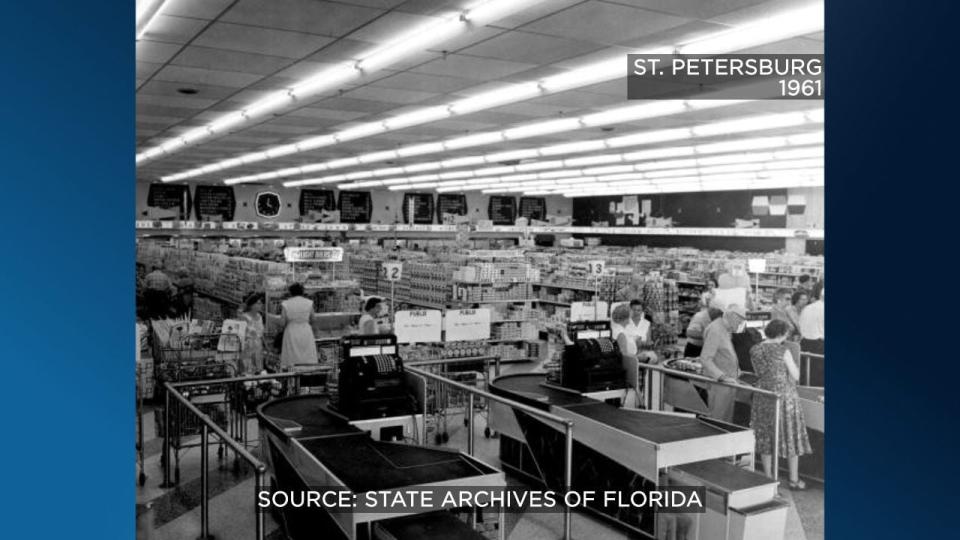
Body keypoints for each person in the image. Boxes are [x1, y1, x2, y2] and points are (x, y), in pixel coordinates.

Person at [749, 319, 813, 490]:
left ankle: (768, 478)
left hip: (763, 394)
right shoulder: (783, 350)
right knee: (792, 434)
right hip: (785, 395)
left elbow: (758, 372)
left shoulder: (754, 349)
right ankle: (793, 479)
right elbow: (796, 375)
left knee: (765, 435)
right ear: (782, 334)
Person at [699, 304, 748, 422]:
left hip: (728, 382)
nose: (740, 324)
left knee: (725, 417)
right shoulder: (716, 330)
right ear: (732, 317)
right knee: (718, 418)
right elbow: (705, 358)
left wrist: (737, 371)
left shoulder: (724, 328)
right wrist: (722, 377)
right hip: (719, 383)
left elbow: (724, 353)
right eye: (739, 321)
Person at [279, 283, 318, 369]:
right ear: (302, 291)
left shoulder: (286, 303)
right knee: (307, 354)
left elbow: (282, 322)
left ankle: (292, 374)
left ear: (290, 292)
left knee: (291, 355)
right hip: (305, 330)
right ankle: (307, 373)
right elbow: (313, 319)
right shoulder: (309, 303)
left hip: (291, 330)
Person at [799, 287, 825, 385]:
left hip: (804, 343)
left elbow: (800, 324)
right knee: (819, 376)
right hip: (820, 345)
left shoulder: (808, 307)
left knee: (806, 372)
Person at [238, 292, 266, 374]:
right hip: (248, 345)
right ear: (252, 305)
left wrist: (265, 345)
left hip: (258, 345)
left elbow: (261, 333)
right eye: (258, 303)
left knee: (258, 367)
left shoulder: (260, 316)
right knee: (248, 368)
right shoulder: (244, 317)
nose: (260, 305)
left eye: (261, 303)